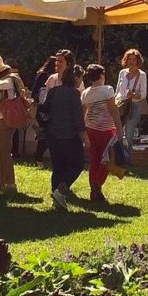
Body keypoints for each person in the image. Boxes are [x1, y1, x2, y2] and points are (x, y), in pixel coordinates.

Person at [41, 62, 86, 208]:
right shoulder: (74, 94)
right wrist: (84, 137)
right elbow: (78, 118)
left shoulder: (54, 91)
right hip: (69, 135)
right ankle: (61, 189)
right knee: (77, 164)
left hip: (53, 134)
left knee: (58, 166)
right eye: (80, 78)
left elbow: (45, 109)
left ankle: (56, 197)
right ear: (76, 78)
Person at [81, 64, 122, 203]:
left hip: (90, 129)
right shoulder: (107, 90)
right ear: (101, 75)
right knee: (108, 159)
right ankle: (97, 184)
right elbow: (113, 110)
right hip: (106, 129)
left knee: (94, 160)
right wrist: (119, 129)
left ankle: (94, 188)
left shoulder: (85, 93)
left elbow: (83, 113)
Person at [0, 55, 29, 158]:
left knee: (3, 153)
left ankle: (5, 169)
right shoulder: (3, 80)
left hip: (3, 120)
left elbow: (2, 85)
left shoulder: (8, 80)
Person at [115, 49, 148, 144]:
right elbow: (117, 90)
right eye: (129, 59)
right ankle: (118, 152)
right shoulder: (122, 72)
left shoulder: (142, 75)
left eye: (134, 59)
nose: (131, 61)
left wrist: (133, 95)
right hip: (121, 105)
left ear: (138, 61)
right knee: (117, 133)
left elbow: (143, 94)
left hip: (133, 107)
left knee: (128, 136)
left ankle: (127, 153)